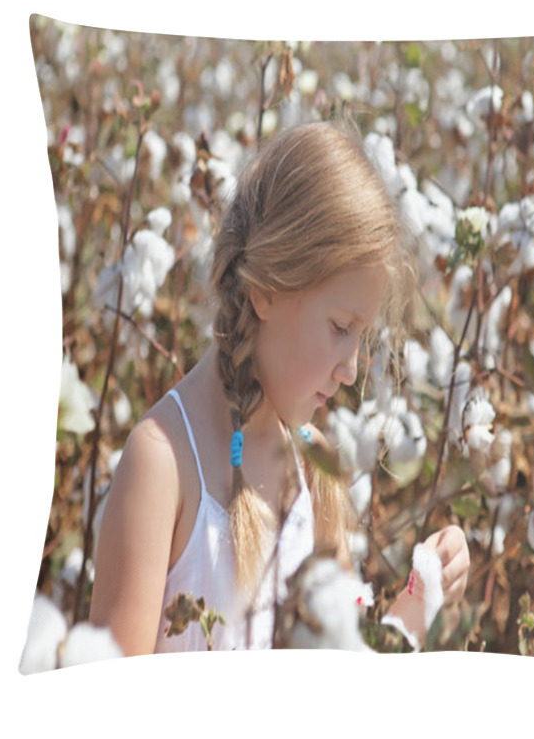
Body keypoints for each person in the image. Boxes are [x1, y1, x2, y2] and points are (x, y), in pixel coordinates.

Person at [89, 121, 469, 655]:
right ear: (266, 291)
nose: (352, 369)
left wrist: (423, 591)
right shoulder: (163, 466)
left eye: (361, 335)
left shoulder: (315, 469)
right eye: (340, 328)